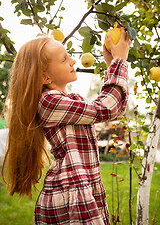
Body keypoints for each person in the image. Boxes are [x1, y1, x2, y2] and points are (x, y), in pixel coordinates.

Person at [2, 27, 131, 224]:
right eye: (64, 59)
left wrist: (112, 63)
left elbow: (114, 107)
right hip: (72, 194)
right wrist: (119, 60)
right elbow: (107, 107)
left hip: (79, 187)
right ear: (45, 77)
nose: (73, 61)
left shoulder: (63, 101)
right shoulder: (49, 102)